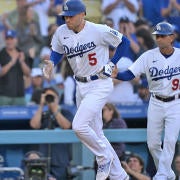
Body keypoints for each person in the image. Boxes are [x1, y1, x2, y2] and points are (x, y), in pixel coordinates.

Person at [42, 0, 130, 179]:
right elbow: (57, 50)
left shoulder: (98, 29)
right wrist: (52, 62)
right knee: (97, 134)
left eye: (71, 15)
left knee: (79, 126)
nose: (67, 19)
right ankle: (119, 175)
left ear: (83, 14)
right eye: (65, 16)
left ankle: (103, 156)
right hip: (80, 85)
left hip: (99, 83)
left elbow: (124, 42)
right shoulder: (61, 32)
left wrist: (112, 63)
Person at [112, 21, 180, 180]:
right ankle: (167, 173)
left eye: (162, 36)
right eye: (157, 36)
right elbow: (130, 73)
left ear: (172, 37)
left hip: (176, 102)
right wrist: (117, 75)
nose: (159, 39)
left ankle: (162, 174)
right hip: (155, 101)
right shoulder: (148, 56)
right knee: (153, 143)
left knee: (170, 140)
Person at [30, 87, 73, 180]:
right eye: (47, 96)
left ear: (57, 98)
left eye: (51, 96)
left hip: (60, 160)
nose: (49, 99)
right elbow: (34, 125)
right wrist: (41, 105)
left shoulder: (65, 112)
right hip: (43, 159)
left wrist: (55, 110)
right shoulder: (43, 113)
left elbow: (67, 126)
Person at [0, 29, 31, 106]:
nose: (9, 41)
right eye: (7, 39)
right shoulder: (1, 53)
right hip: (4, 95)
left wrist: (21, 62)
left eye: (11, 39)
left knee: (21, 117)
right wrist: (11, 62)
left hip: (19, 95)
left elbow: (28, 73)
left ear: (16, 39)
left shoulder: (22, 52)